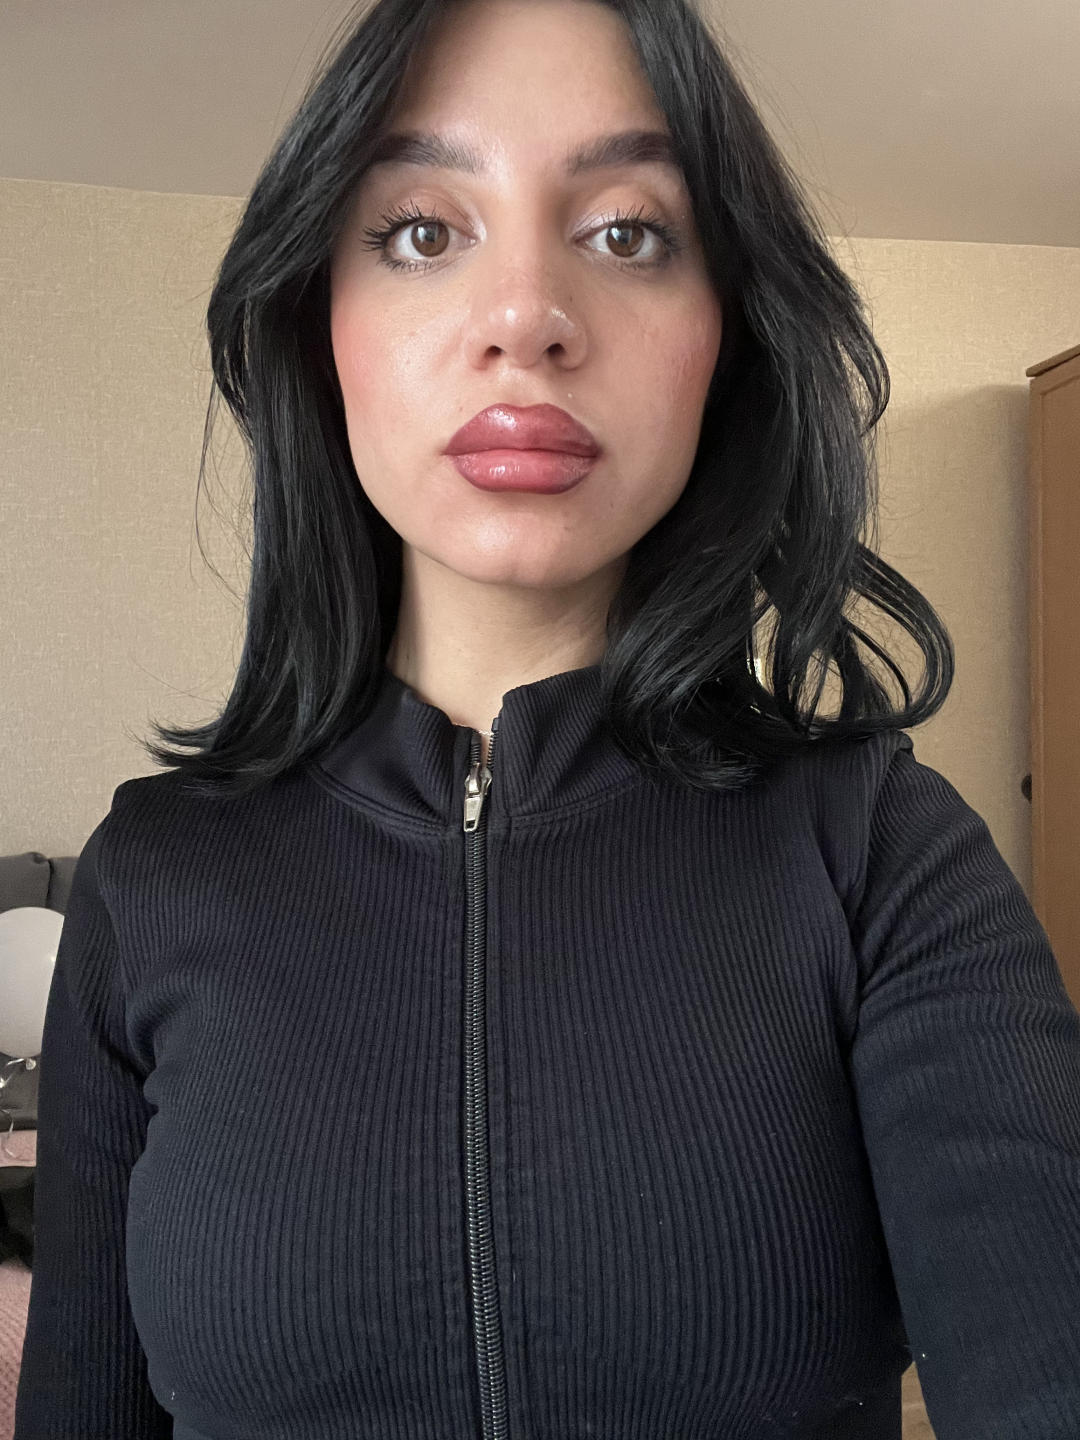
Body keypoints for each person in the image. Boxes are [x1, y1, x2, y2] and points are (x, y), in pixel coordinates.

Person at [15, 0, 1080, 1436]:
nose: (526, 315)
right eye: (421, 230)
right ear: (319, 327)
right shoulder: (150, 874)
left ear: (726, 336)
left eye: (629, 231)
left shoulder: (880, 851)